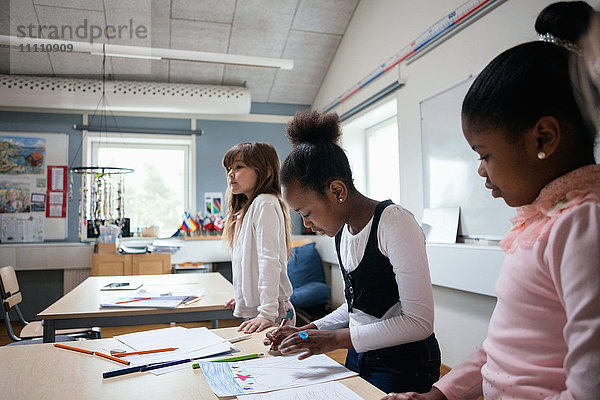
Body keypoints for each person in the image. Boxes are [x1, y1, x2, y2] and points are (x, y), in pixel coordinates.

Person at [383, 2, 600, 399]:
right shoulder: (542, 224)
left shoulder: (584, 226)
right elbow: (500, 346)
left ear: (543, 139)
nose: (481, 170)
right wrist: (441, 394)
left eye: (485, 154)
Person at [264, 109, 441, 394]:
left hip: (404, 361)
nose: (307, 225)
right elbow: (359, 309)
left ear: (337, 191)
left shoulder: (394, 222)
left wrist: (334, 340)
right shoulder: (343, 230)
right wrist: (310, 331)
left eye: (307, 213)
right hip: (359, 353)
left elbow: (419, 322)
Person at [222, 142, 296, 333]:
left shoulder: (265, 203)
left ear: (266, 171)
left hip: (272, 312)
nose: (231, 173)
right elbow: (246, 263)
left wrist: (266, 312)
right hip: (261, 309)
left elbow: (268, 261)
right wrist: (243, 296)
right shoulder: (247, 208)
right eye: (229, 168)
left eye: (239, 167)